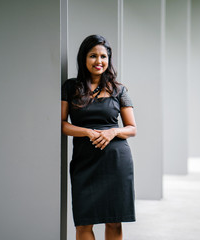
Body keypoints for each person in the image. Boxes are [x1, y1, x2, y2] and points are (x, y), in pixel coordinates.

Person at [61, 34, 136, 240]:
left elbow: (132, 128)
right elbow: (62, 124)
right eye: (93, 56)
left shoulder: (119, 90)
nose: (99, 61)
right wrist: (86, 131)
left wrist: (113, 131)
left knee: (114, 222)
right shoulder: (70, 87)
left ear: (109, 60)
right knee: (83, 223)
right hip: (84, 161)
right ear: (83, 59)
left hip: (116, 161)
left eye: (103, 56)